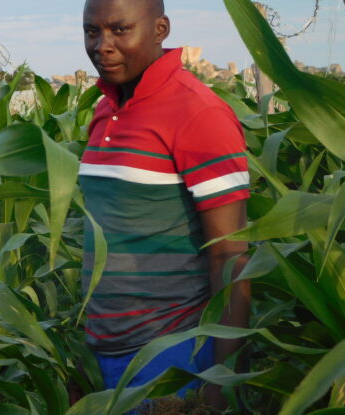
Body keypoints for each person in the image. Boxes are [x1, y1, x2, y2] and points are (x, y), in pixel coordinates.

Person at [77, 0, 251, 410]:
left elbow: (230, 255)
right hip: (104, 354)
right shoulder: (105, 110)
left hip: (171, 359)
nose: (103, 45)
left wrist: (220, 387)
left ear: (160, 29)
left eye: (120, 30)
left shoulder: (199, 113)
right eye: (92, 31)